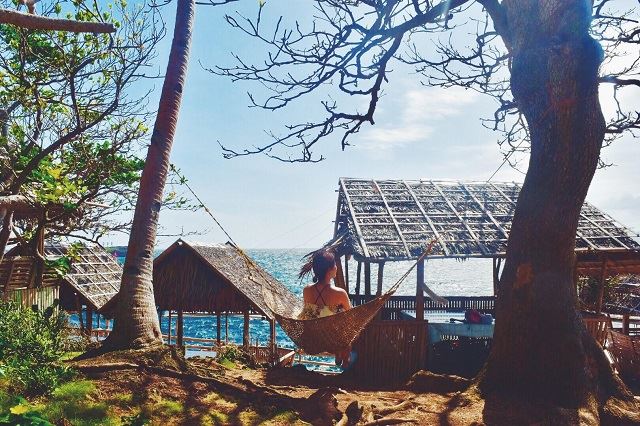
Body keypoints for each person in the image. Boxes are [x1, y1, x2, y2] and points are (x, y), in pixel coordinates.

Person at [298, 249, 354, 368]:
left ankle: (339, 354)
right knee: (348, 322)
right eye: (335, 265)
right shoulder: (340, 293)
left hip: (311, 336)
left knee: (329, 312)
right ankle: (345, 360)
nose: (336, 267)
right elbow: (352, 314)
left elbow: (308, 313)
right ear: (329, 270)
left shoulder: (306, 290)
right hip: (332, 339)